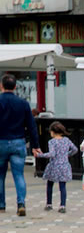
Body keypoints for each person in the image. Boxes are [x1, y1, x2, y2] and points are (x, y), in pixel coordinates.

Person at [0, 72, 40, 217]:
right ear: (15, 87)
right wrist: (35, 145)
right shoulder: (23, 104)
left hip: (1, 142)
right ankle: (21, 203)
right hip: (18, 141)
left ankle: (1, 205)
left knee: (0, 175)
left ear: (1, 86)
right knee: (19, 175)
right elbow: (31, 126)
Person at [35, 121, 78, 213]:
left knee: (50, 184)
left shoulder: (52, 142)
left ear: (53, 132)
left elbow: (52, 154)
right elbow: (75, 149)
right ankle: (62, 206)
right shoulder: (66, 140)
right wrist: (67, 155)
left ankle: (49, 204)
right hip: (64, 165)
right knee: (62, 186)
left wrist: (39, 155)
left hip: (54, 166)